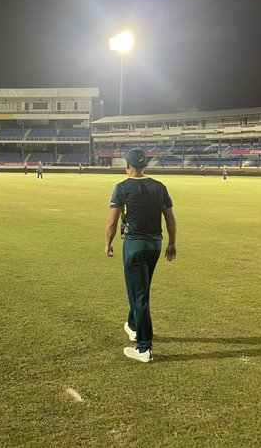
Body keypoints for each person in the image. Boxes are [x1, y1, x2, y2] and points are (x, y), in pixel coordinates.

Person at [105, 148, 177, 363]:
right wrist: (172, 243)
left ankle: (144, 348)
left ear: (127, 166)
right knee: (141, 291)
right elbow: (171, 219)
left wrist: (107, 244)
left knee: (139, 297)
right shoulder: (159, 187)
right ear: (145, 164)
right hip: (155, 245)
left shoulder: (122, 188)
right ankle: (134, 326)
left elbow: (112, 222)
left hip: (134, 246)